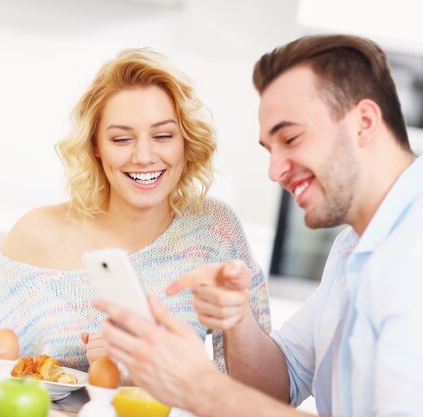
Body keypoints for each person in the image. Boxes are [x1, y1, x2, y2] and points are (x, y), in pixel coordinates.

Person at [95, 34, 423, 416]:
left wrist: (202, 388)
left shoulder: (412, 251)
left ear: (364, 122)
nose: (275, 171)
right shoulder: (357, 245)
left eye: (291, 138)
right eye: (270, 149)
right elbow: (282, 382)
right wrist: (236, 320)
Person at [0, 48, 271, 371]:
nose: (144, 156)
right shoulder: (38, 232)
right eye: (121, 138)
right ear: (95, 146)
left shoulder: (214, 231)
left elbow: (256, 395)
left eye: (163, 136)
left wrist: (149, 370)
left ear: (186, 141)